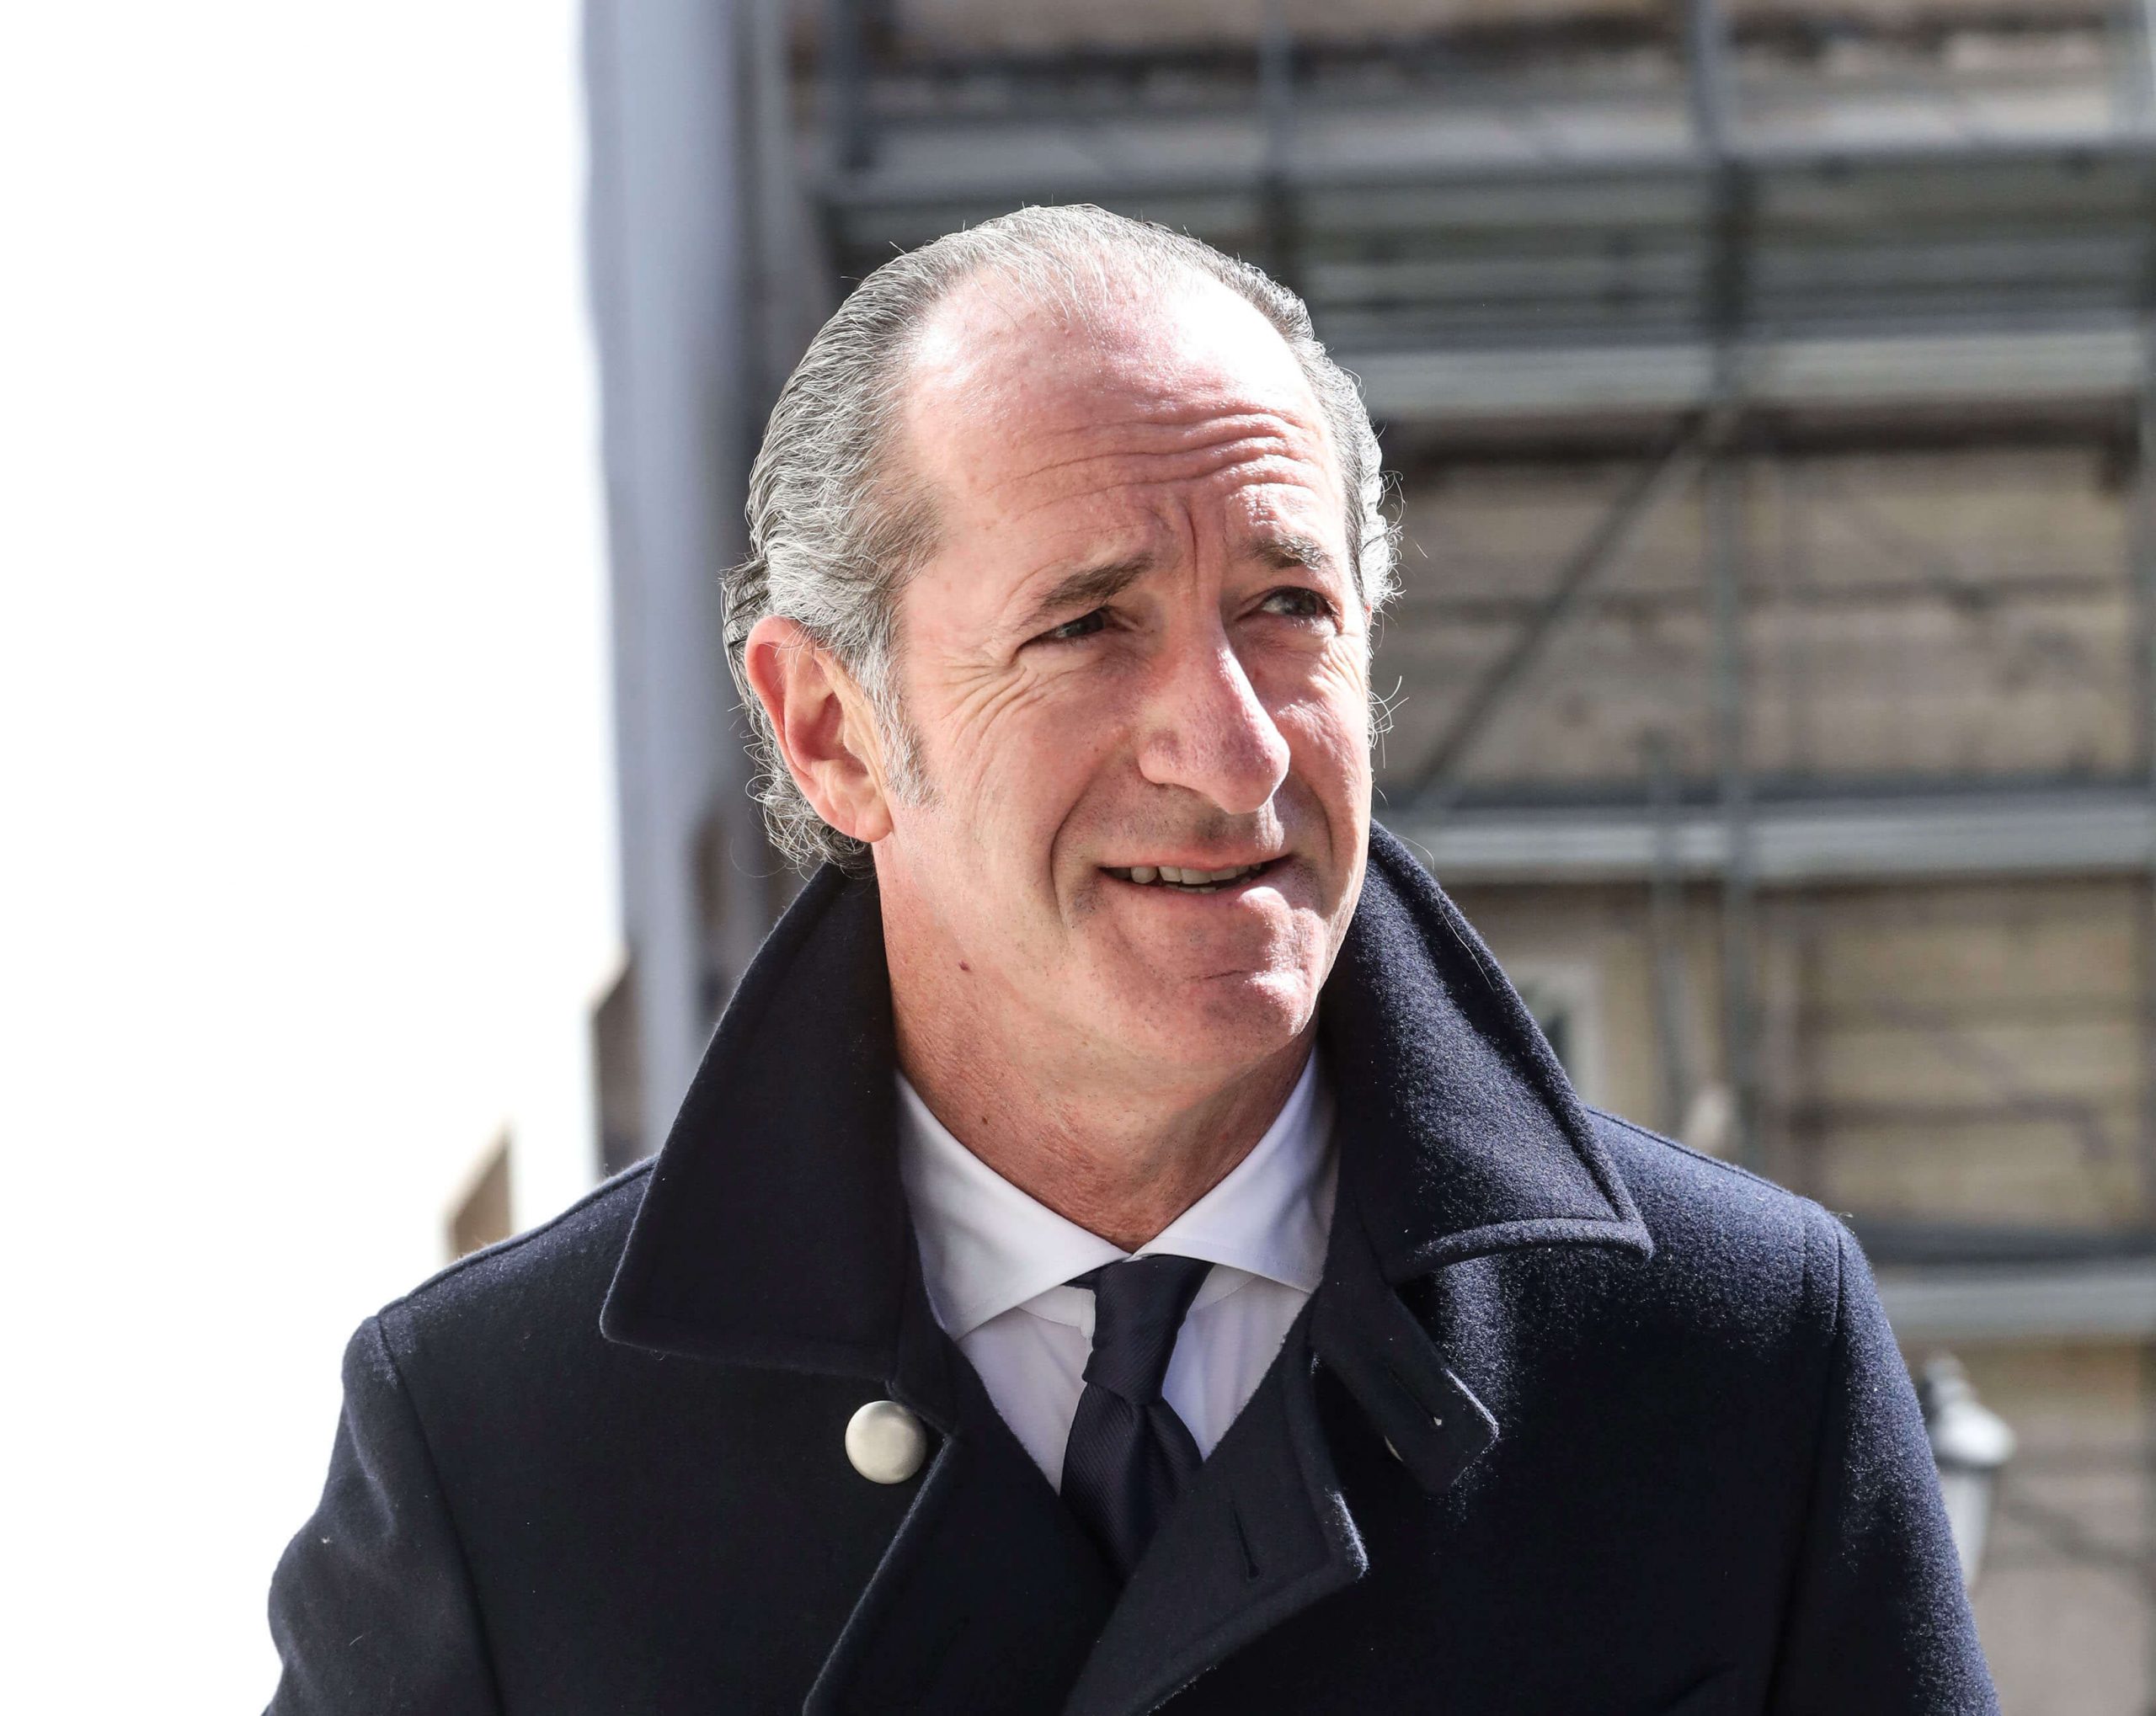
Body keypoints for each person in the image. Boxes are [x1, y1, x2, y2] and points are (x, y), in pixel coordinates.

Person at [266, 205, 1995, 1714]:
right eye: (1089, 624)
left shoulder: (1731, 1359)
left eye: (1288, 607)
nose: (1235, 752)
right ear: (832, 729)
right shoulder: (502, 1441)